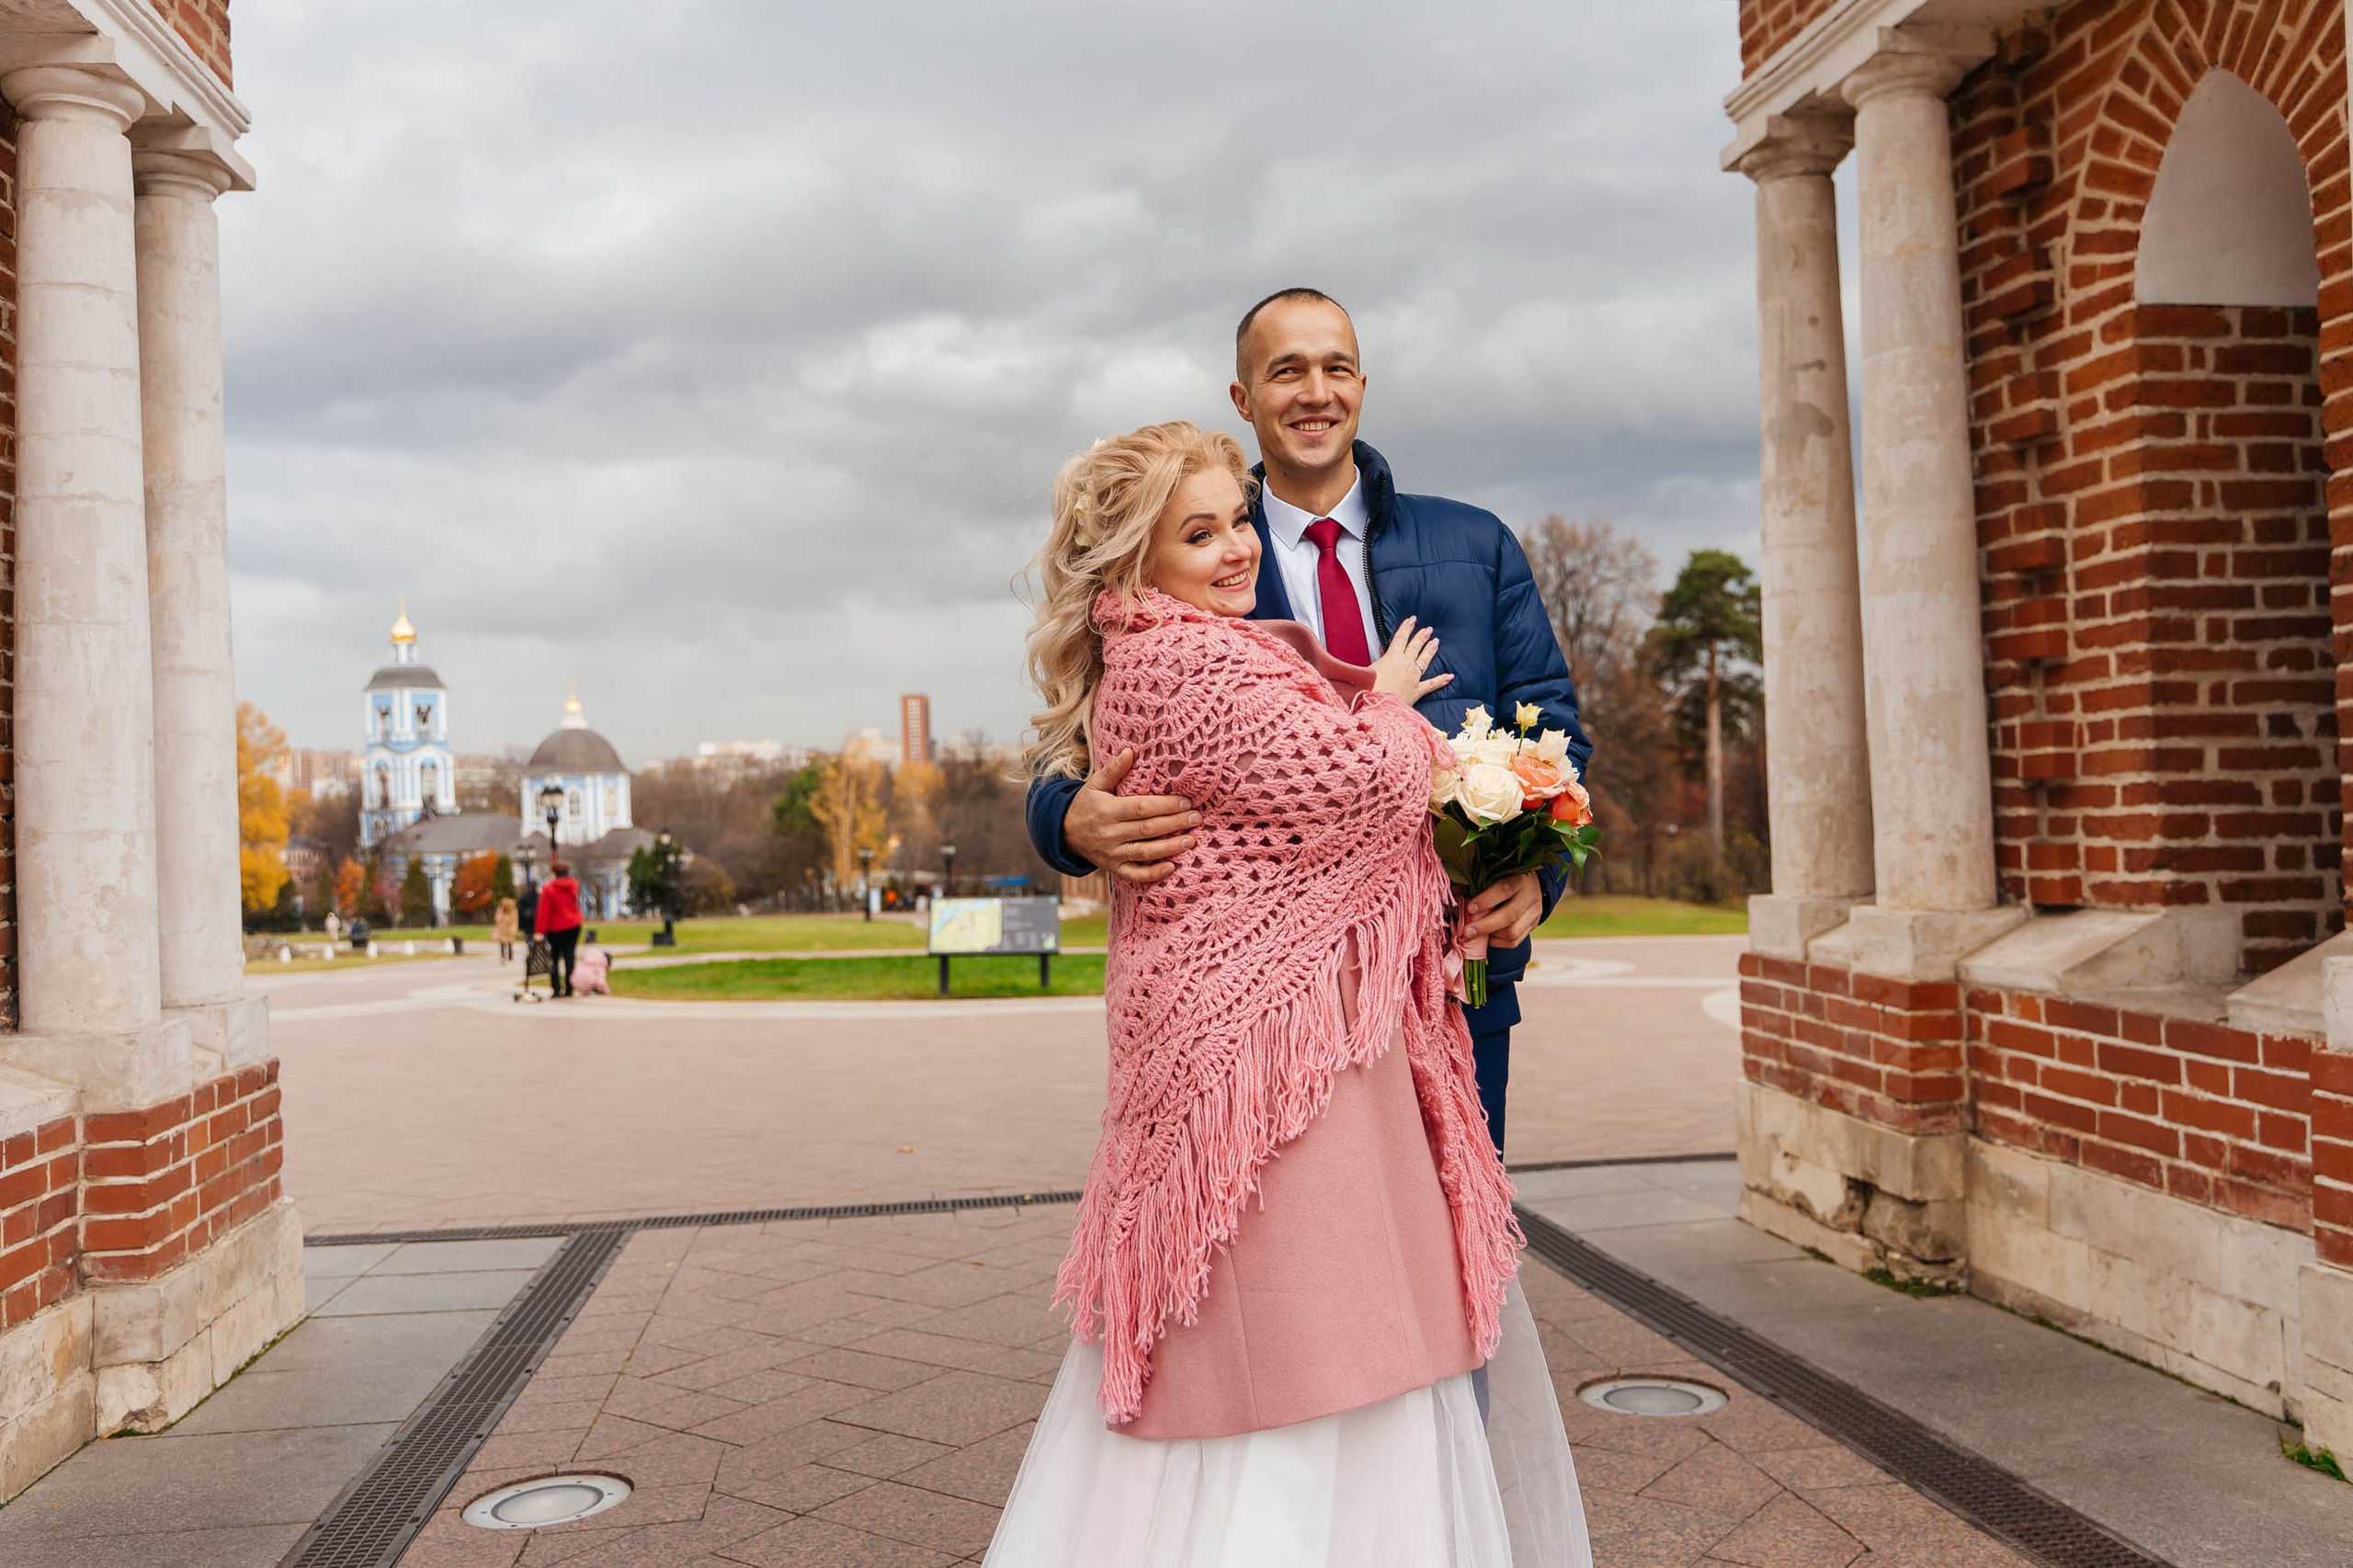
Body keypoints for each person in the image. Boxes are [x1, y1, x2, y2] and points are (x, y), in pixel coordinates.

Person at [984, 423, 1590, 1566]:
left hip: (1371, 1024)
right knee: (1311, 1321)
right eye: (1197, 531)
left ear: (1358, 389)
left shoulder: (1459, 547)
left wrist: (1527, 862)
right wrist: (1395, 704)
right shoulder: (1188, 654)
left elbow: (1539, 729)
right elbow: (1350, 781)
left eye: (1231, 524)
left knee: (1379, 1313)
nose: (1230, 549)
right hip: (1278, 1045)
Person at [1026, 289, 1587, 1154]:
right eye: (1286, 371)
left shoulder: (1477, 546)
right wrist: (1065, 818)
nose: (1314, 392)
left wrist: (1538, 879)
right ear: (1243, 400)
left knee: (1460, 1246)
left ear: (1362, 384)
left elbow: (1551, 730)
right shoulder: (1190, 558)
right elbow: (1078, 726)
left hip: (1450, 971)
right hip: (1281, 994)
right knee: (1316, 1255)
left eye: (1335, 368)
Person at [534, 859, 583, 998]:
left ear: (554, 872)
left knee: (554, 958)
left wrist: (540, 931)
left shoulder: (549, 889)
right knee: (570, 957)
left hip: (555, 928)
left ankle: (556, 988)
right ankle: (569, 988)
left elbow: (544, 912)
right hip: (573, 924)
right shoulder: (573, 885)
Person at [492, 895, 519, 963]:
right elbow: (497, 919)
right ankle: (503, 956)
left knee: (509, 943)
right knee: (502, 943)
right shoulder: (501, 910)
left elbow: (514, 920)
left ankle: (510, 956)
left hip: (509, 928)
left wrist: (513, 928)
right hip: (502, 929)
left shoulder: (513, 910)